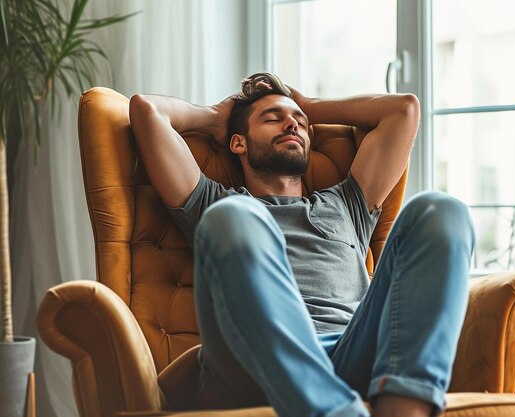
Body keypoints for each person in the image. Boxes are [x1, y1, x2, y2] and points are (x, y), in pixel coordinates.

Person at [129, 73, 475, 417]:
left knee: (442, 210)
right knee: (234, 214)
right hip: (249, 365)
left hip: (347, 351)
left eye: (300, 123)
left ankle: (405, 410)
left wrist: (309, 106)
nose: (292, 125)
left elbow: (403, 110)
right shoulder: (214, 204)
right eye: (272, 118)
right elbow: (147, 111)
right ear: (239, 143)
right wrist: (217, 117)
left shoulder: (346, 204)